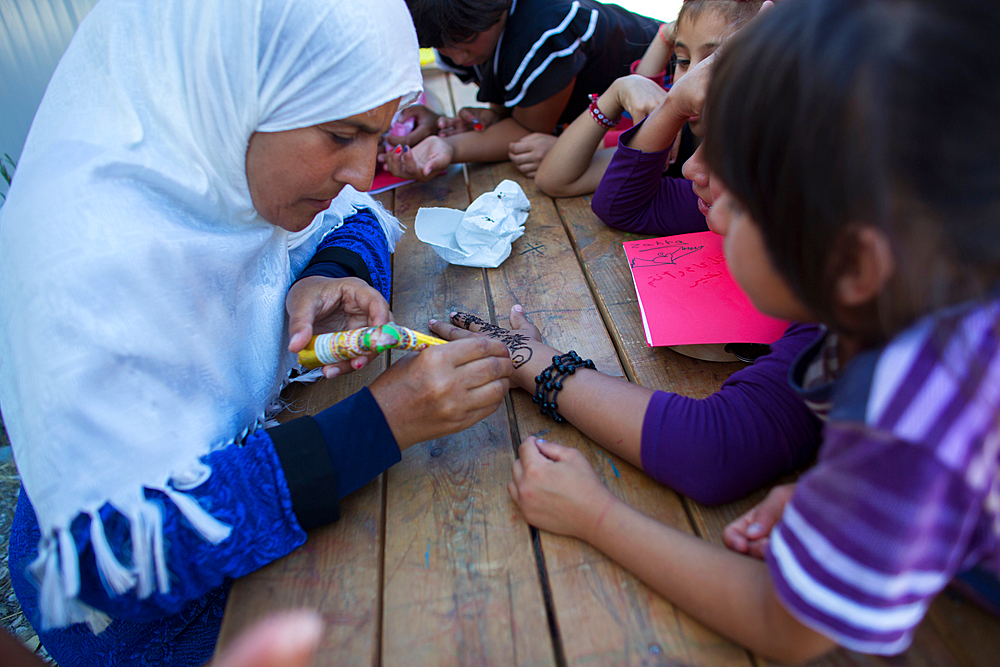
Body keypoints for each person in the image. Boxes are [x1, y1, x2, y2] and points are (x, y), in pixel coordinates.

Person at [448, 0, 1000, 661]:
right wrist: (842, 496)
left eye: (735, 183)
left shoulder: (913, 399)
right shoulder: (928, 294)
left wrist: (594, 514)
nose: (691, 171)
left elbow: (788, 625)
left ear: (851, 262)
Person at [0, 0, 512, 664]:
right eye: (341, 135)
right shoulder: (83, 265)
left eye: (375, 138)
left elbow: (357, 218)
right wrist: (377, 424)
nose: (363, 173)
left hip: (262, 523)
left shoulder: (218, 165)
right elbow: (123, 554)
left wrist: (325, 274)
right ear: (241, 88)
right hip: (157, 626)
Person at [380, 0, 660, 181]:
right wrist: (492, 118)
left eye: (465, 40)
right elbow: (511, 105)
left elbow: (529, 130)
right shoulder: (463, 33)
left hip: (660, 91)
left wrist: (449, 147)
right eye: (441, 47)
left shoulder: (545, 32)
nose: (458, 57)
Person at [535, 0, 762, 198]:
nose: (688, 80)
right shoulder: (674, 133)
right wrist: (617, 92)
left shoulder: (761, 174)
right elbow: (554, 180)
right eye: (682, 61)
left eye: (715, 61)